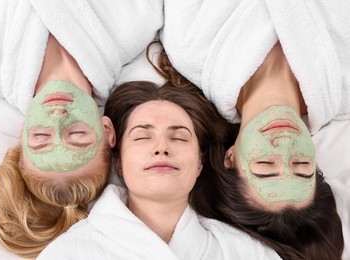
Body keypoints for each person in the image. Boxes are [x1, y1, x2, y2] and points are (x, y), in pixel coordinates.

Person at [0, 1, 163, 257]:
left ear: (23, 133)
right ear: (108, 131)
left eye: (41, 136)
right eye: (78, 135)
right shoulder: (135, 24)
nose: (57, 119)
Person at [37, 81, 280, 259]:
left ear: (199, 163)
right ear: (119, 161)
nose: (161, 148)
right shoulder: (68, 253)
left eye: (180, 138)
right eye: (142, 137)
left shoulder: (247, 253)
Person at [155, 39, 345, 258]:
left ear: (231, 157)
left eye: (265, 163)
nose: (284, 144)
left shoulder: (191, 49)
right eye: (301, 164)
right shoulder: (342, 83)